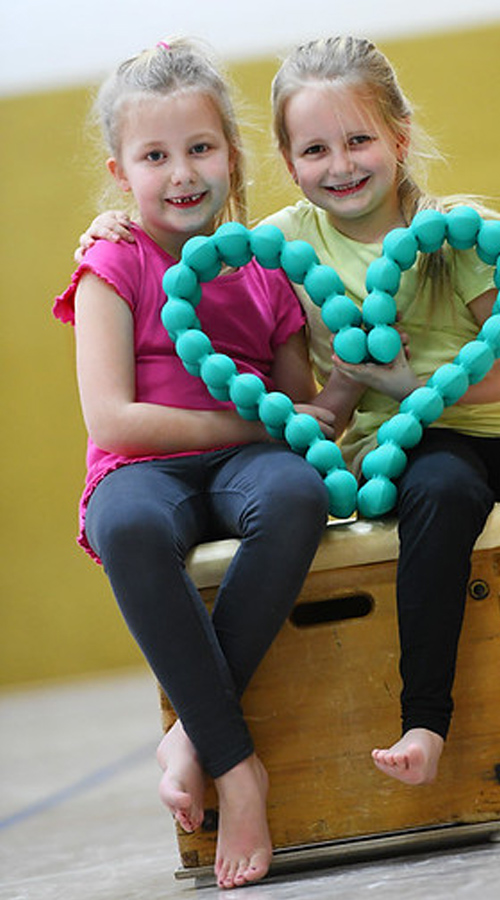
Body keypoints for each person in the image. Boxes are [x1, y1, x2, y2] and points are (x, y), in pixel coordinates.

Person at [77, 35, 500, 816]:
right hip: (405, 445)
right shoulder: (284, 242)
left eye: (359, 140)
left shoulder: (458, 232)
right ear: (288, 164)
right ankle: (425, 724)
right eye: (316, 149)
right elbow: (297, 374)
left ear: (399, 136)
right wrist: (107, 227)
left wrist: (408, 380)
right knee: (445, 495)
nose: (342, 165)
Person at [55, 39, 359, 889]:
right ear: (121, 170)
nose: (181, 172)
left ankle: (191, 732)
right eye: (155, 156)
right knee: (129, 526)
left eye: (199, 149)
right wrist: (243, 419)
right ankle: (237, 771)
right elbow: (110, 417)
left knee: (297, 495)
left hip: (247, 467)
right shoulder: (111, 261)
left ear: (232, 152)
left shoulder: (264, 267)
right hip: (144, 466)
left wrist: (338, 393)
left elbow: (294, 410)